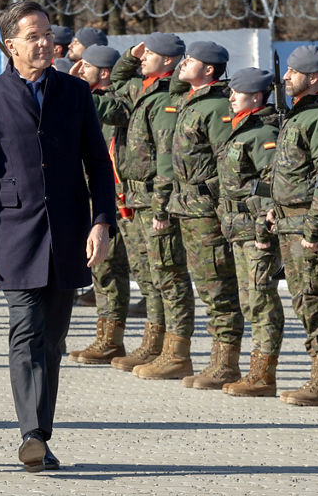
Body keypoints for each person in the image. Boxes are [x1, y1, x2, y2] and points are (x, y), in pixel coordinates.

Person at [0, 0, 115, 473]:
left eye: (48, 34)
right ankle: (32, 434)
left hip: (69, 233)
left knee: (51, 341)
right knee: (24, 333)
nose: (45, 42)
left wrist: (102, 221)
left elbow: (98, 164)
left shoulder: (75, 92)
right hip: (14, 234)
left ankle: (40, 434)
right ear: (10, 45)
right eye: (33, 35)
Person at [258, 45, 318, 405]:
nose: (285, 78)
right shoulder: (301, 114)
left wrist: (314, 227)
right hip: (288, 220)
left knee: (317, 300)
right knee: (303, 300)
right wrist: (273, 206)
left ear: (313, 77)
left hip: (305, 225)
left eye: (293, 72)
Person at [152, 41, 243, 387]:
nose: (183, 63)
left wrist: (222, 207)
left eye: (191, 60)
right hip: (185, 207)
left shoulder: (217, 106)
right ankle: (194, 357)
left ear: (209, 70)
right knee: (204, 283)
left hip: (206, 210)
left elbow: (226, 161)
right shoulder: (190, 101)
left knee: (217, 284)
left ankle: (226, 363)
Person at [108, 34, 187, 374]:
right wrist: (130, 56)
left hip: (153, 196)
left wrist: (162, 205)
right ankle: (153, 344)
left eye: (151, 54)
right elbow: (117, 81)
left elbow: (166, 156)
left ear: (168, 61)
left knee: (168, 276)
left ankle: (175, 351)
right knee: (148, 275)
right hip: (134, 195)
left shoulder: (166, 96)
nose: (144, 58)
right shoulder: (143, 87)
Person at [217, 66, 284, 397]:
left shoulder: (263, 134)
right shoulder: (243, 130)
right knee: (249, 299)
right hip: (238, 230)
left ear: (255, 97)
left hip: (254, 229)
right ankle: (256, 371)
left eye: (237, 92)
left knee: (261, 298)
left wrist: (262, 230)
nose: (231, 97)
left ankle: (263, 374)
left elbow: (272, 186)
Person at [67, 43, 135, 365]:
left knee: (111, 269)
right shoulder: (92, 102)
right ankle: (106, 338)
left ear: (103, 73)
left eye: (86, 66)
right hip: (96, 195)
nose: (81, 69)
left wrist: (74, 85)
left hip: (119, 199)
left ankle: (111, 341)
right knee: (103, 270)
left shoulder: (112, 103)